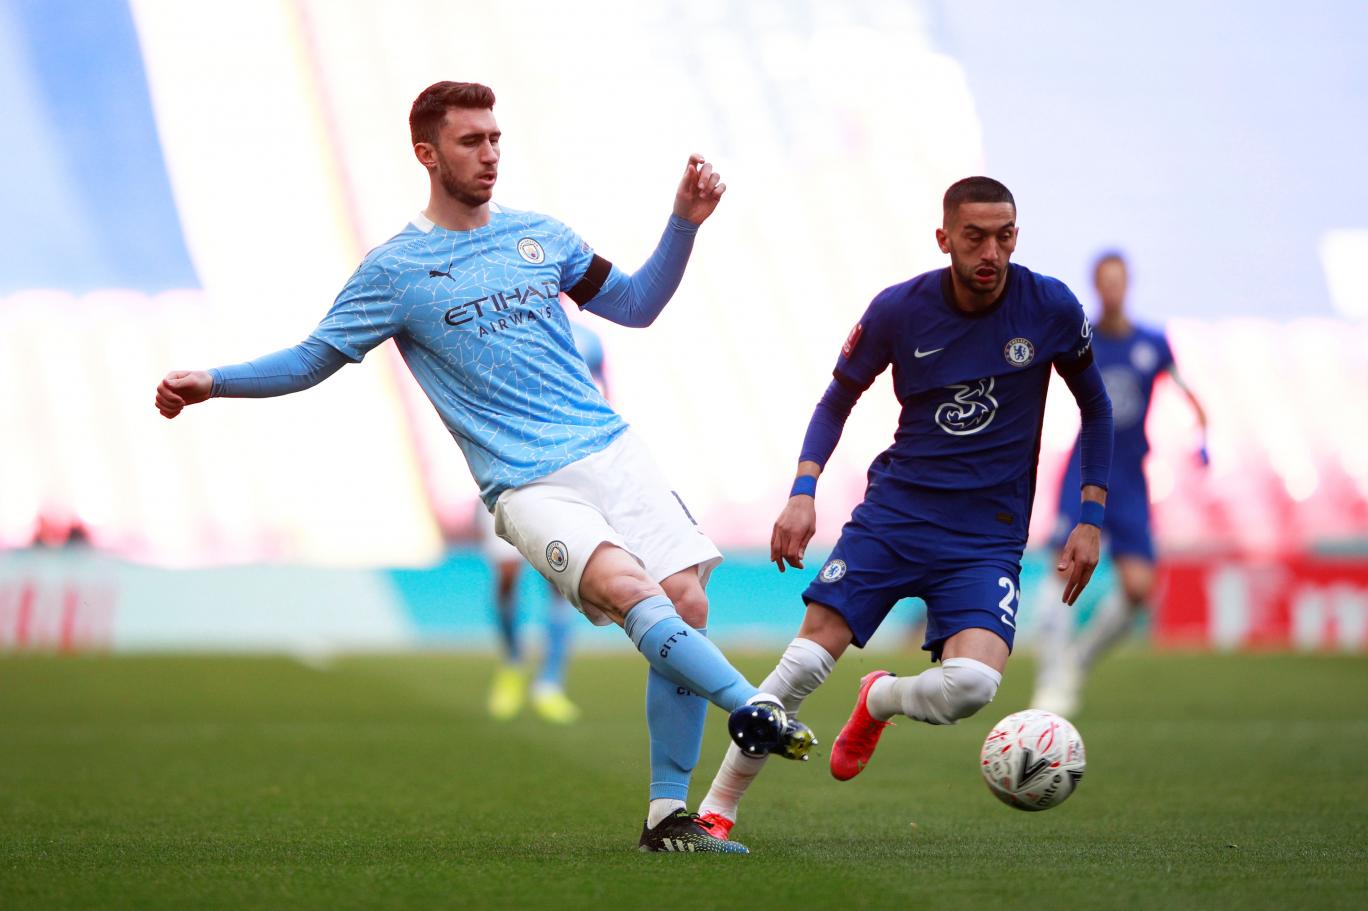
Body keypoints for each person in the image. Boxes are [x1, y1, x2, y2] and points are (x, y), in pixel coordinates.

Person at [153, 80, 812, 855]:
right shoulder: (395, 269)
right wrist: (213, 380)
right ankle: (754, 706)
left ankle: (668, 818)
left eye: (495, 137)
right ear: (427, 154)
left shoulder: (542, 236)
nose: (490, 153)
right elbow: (310, 359)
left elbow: (635, 306)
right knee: (630, 590)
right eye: (471, 141)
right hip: (527, 481)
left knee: (687, 603)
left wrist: (683, 225)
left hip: (613, 450)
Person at [696, 176, 1113, 841]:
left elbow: (1096, 406)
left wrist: (1091, 517)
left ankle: (881, 697)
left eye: (1004, 236)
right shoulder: (899, 310)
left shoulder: (1051, 307)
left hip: (986, 535)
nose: (991, 253)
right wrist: (803, 492)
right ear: (944, 238)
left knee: (972, 685)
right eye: (974, 237)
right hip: (896, 517)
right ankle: (717, 808)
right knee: (803, 663)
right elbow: (837, 399)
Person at [1031, 251, 1207, 716]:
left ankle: (1079, 660)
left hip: (1129, 478)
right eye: (1104, 282)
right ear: (1096, 286)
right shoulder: (1080, 338)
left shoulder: (1153, 344)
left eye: (1119, 281)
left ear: (1127, 284)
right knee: (1062, 569)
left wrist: (1202, 438)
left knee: (1139, 588)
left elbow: (1190, 394)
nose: (1112, 289)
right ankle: (1052, 680)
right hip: (1084, 469)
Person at [483, 323, 607, 725]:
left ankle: (550, 682)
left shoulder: (587, 339)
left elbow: (602, 396)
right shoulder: (502, 325)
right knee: (506, 575)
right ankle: (513, 662)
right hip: (505, 466)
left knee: (559, 577)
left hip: (562, 469)